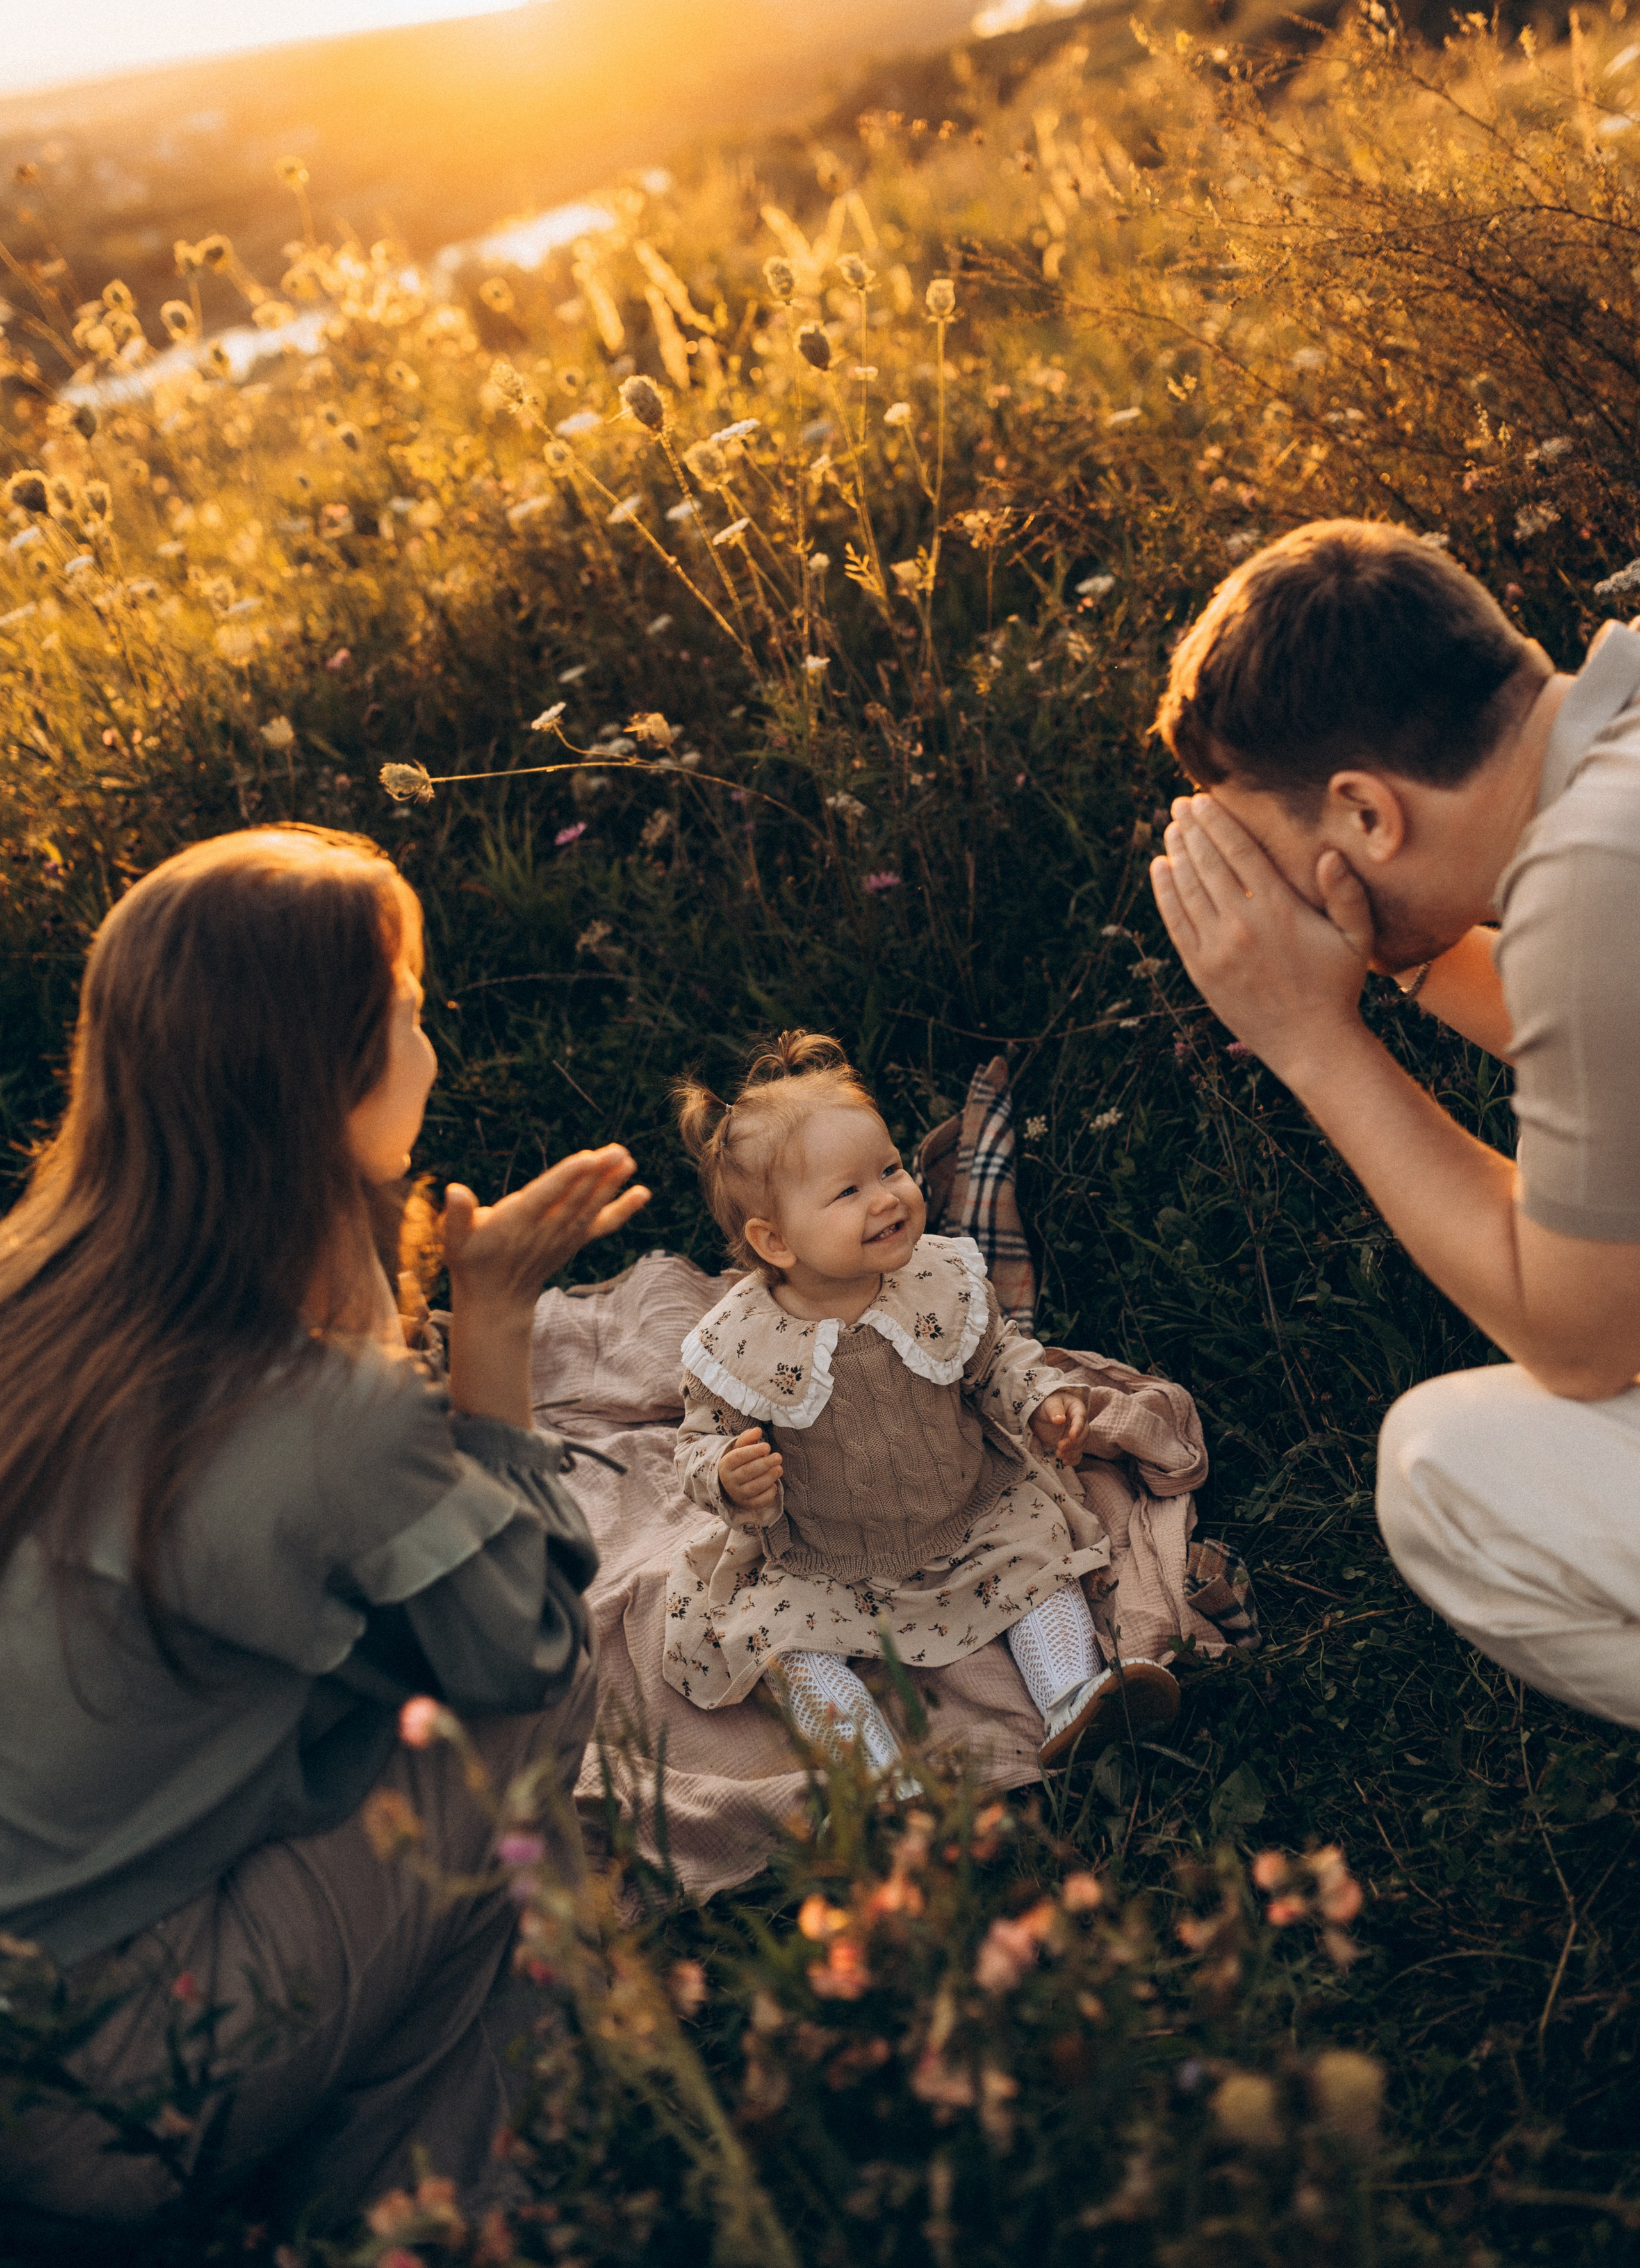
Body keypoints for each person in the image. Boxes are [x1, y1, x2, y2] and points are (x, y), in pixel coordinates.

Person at [0, 825, 648, 2230]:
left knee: (389, 1713)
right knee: (519, 1726)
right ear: (330, 1074)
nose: (430, 1035)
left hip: (27, 2005)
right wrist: (490, 1326)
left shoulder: (34, 1295)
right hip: (104, 2089)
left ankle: (408, 2147)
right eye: (408, 1006)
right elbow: (527, 1650)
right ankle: (442, 2205)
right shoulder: (323, 1413)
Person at [1148, 517, 1640, 1729]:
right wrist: (1403, 962)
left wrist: (1314, 1039)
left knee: (1445, 1468)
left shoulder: (1593, 870)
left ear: (1365, 813)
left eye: (1275, 850)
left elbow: (1584, 1341)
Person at [659, 1033, 1181, 1768]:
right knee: (779, 1635)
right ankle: (872, 1773)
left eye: (892, 1168)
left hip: (968, 1508)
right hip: (824, 1554)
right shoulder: (740, 1344)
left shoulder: (939, 1276)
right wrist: (724, 1472)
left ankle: (1075, 1697)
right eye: (849, 1191)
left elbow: (997, 1355)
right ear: (775, 1241)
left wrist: (1041, 1399)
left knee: (1037, 1558)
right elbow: (697, 1438)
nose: (887, 1197)